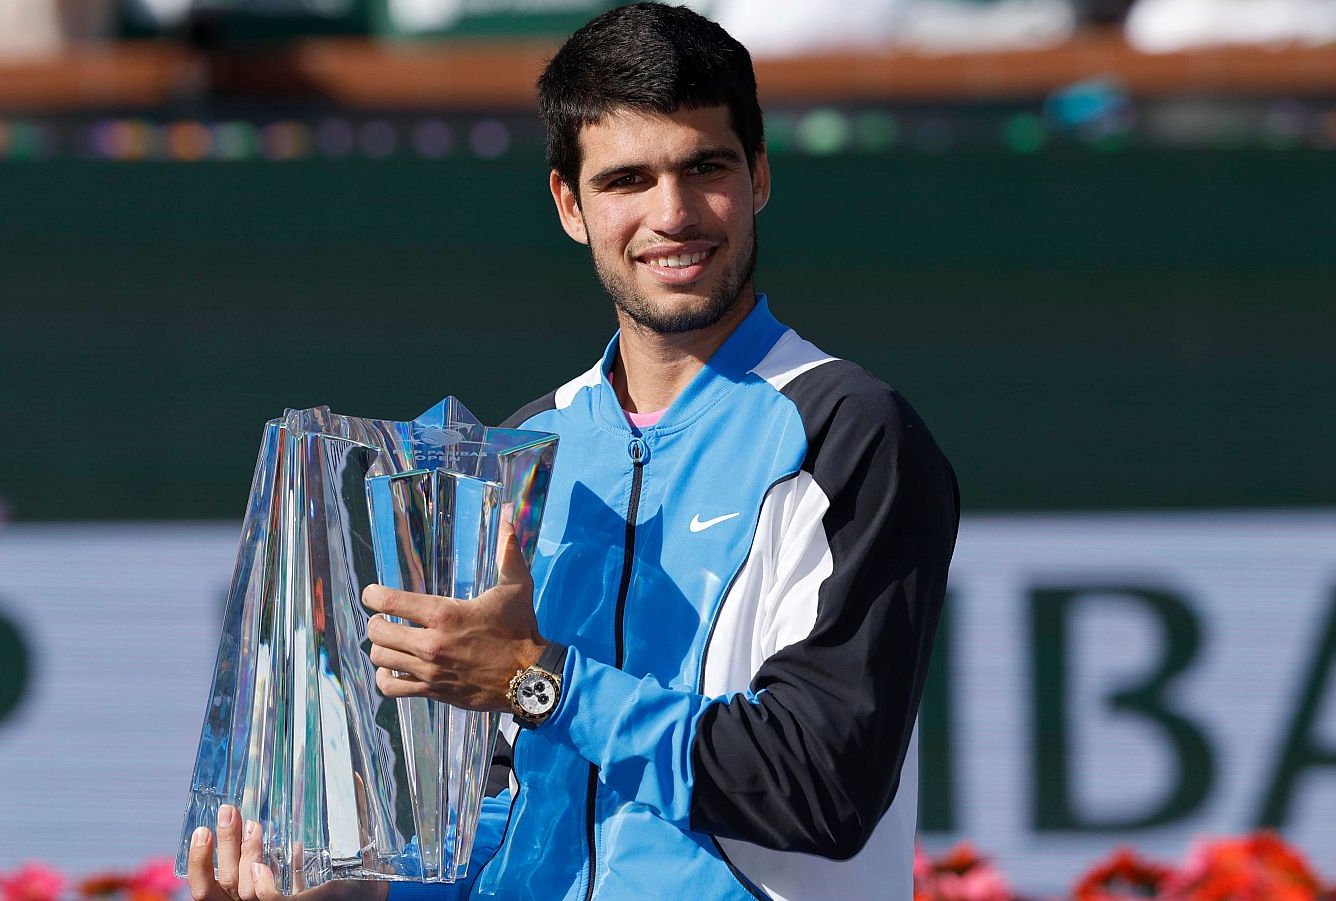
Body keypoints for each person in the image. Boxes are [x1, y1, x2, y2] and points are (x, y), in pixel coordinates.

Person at [187, 4, 958, 900]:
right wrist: (361, 889)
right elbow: (522, 810)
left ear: (758, 177)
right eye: (627, 179)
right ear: (569, 205)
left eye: (704, 167)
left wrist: (536, 679)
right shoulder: (529, 446)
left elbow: (822, 784)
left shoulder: (850, 432)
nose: (672, 214)